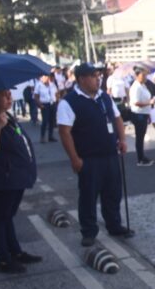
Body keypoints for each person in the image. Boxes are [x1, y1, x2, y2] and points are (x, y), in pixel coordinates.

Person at [57, 62, 133, 247]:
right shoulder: (69, 102)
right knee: (89, 196)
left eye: (98, 75)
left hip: (110, 154)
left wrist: (122, 140)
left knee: (113, 193)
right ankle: (89, 232)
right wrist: (74, 158)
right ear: (82, 79)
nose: (98, 78)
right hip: (88, 158)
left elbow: (117, 118)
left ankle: (114, 225)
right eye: (93, 76)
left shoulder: (104, 98)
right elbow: (64, 132)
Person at [0, 89, 41, 273]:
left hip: (16, 177)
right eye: (4, 95)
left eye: (9, 94)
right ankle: (3, 259)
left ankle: (15, 252)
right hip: (2, 178)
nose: (9, 98)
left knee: (7, 216)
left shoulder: (6, 116)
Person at [129, 66, 155, 167]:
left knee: (141, 136)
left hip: (144, 113)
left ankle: (142, 156)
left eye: (146, 75)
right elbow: (136, 102)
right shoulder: (136, 87)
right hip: (138, 114)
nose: (145, 77)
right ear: (137, 76)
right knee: (139, 137)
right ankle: (140, 159)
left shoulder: (142, 85)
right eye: (143, 75)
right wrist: (149, 102)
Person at [35, 75, 58, 142]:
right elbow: (36, 96)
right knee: (45, 121)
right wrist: (40, 105)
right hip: (45, 104)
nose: (46, 78)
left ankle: (50, 136)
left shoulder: (52, 84)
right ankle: (42, 137)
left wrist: (57, 101)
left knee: (52, 121)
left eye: (47, 77)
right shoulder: (39, 85)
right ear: (42, 78)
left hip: (52, 103)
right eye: (44, 77)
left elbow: (56, 93)